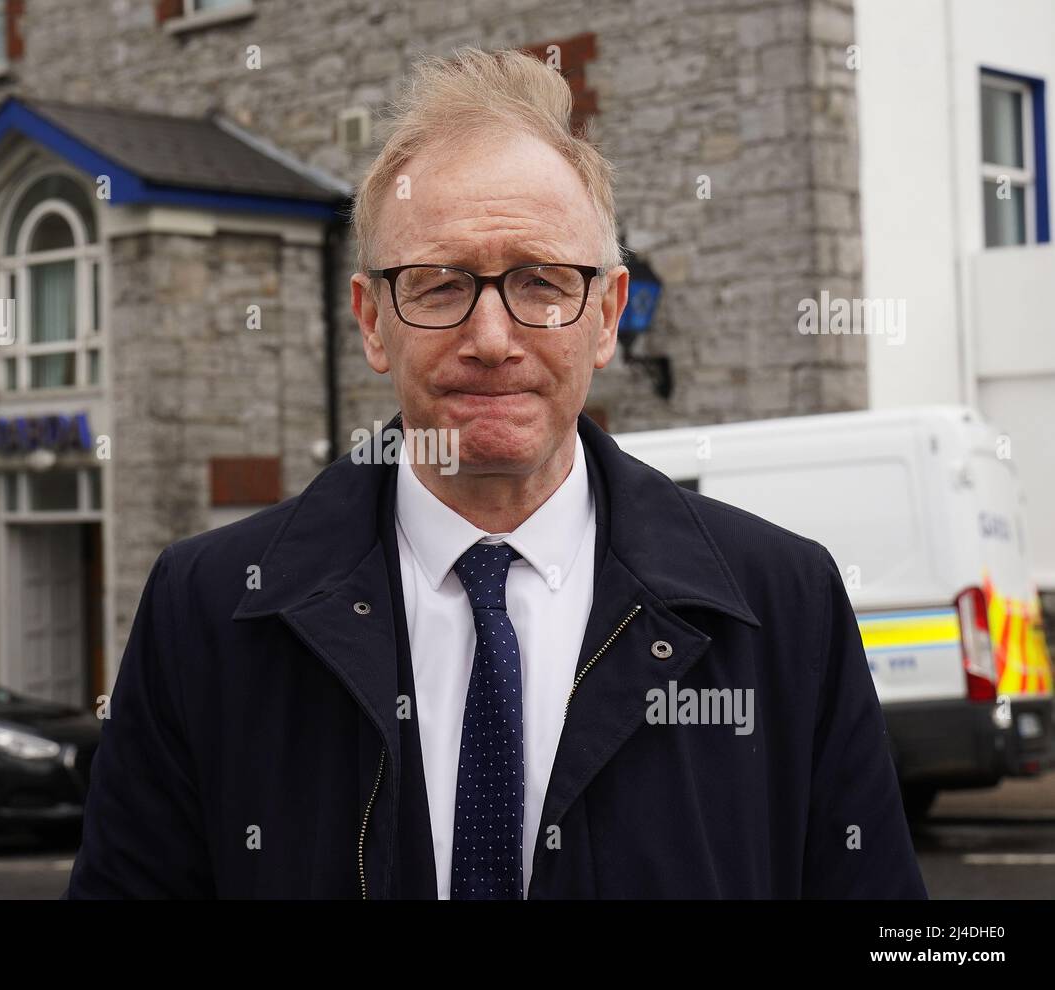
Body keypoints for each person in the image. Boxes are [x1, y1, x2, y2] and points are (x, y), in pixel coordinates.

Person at [66, 46, 926, 899]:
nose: (489, 338)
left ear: (606, 315)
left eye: (542, 282)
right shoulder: (208, 610)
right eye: (439, 286)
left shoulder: (782, 606)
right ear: (372, 322)